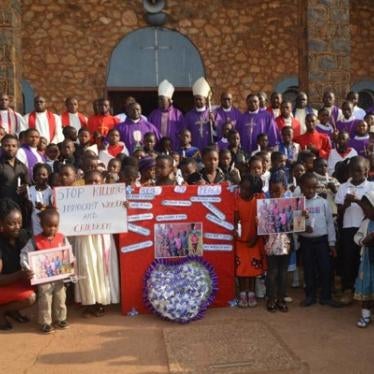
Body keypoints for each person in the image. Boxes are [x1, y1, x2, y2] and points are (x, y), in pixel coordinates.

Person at [74, 171, 120, 317]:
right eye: (90, 181)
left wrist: (123, 206)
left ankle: (101, 302)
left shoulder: (109, 198)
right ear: (84, 183)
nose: (93, 184)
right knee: (87, 268)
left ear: (102, 182)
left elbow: (117, 216)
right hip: (85, 239)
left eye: (97, 181)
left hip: (102, 238)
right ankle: (89, 302)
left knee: (101, 269)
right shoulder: (76, 199)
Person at [20, 208, 72, 333]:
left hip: (59, 276)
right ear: (41, 225)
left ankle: (61, 319)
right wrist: (27, 267)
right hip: (43, 278)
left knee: (60, 297)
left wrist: (70, 262)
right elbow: (24, 254)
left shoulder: (61, 238)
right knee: (45, 299)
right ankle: (45, 322)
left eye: (55, 226)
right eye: (49, 226)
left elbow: (68, 252)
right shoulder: (35, 240)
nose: (52, 229)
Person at [335, 156, 374, 305]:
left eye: (359, 171)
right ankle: (348, 290)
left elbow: (372, 211)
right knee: (348, 259)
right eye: (353, 170)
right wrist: (345, 204)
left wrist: (358, 201)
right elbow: (339, 212)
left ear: (366, 171)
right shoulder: (343, 187)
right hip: (348, 228)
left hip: (366, 228)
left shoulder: (371, 187)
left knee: (365, 260)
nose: (356, 174)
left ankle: (365, 291)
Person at [298, 172, 341, 307]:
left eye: (314, 187)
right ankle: (310, 296)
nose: (311, 190)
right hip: (306, 242)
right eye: (307, 187)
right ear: (301, 187)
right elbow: (293, 224)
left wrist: (332, 243)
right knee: (309, 269)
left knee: (325, 268)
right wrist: (303, 227)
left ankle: (326, 296)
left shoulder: (323, 202)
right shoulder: (298, 202)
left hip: (322, 241)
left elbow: (329, 223)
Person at [0, 198, 35, 331]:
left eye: (19, 222)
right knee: (30, 297)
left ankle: (13, 310)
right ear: (1, 224)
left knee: (42, 281)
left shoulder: (23, 236)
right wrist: (20, 274)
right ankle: (2, 311)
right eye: (11, 223)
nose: (17, 226)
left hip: (14, 282)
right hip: (3, 285)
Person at [234, 175, 265, 308]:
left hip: (254, 240)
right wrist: (235, 231)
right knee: (241, 269)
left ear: (254, 191)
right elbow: (234, 220)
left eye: (247, 190)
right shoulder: (236, 200)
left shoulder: (259, 200)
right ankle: (242, 293)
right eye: (242, 188)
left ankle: (251, 293)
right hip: (240, 241)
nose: (243, 192)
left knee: (252, 268)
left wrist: (256, 237)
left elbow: (263, 220)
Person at [264, 170, 292, 312]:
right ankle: (271, 298)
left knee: (283, 271)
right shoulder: (265, 201)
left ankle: (281, 299)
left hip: (286, 240)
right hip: (270, 240)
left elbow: (295, 223)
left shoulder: (291, 201)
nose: (274, 194)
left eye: (278, 191)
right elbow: (263, 223)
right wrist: (260, 221)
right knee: (272, 270)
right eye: (272, 191)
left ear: (285, 189)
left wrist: (301, 216)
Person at [353, 191, 374, 327]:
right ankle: (365, 315)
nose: (365, 211)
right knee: (366, 286)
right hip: (367, 261)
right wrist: (363, 240)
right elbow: (356, 237)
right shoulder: (365, 222)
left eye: (368, 209)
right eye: (364, 209)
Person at [148, 80, 183, 150]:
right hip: (157, 148)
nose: (159, 101)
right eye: (159, 99)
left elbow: (181, 131)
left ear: (169, 100)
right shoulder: (153, 114)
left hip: (173, 147)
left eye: (162, 99)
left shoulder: (178, 114)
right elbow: (149, 131)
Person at [183, 77, 216, 150]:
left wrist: (213, 122)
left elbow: (218, 133)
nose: (198, 101)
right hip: (193, 149)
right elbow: (184, 133)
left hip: (209, 148)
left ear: (205, 100)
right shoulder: (189, 115)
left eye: (200, 99)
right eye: (196, 99)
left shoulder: (212, 113)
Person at [27, 163, 52, 235]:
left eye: (44, 175)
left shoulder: (51, 191)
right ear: (34, 176)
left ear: (48, 176)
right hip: (35, 224)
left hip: (47, 224)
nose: (41, 176)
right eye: (38, 174)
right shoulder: (30, 190)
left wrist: (44, 208)